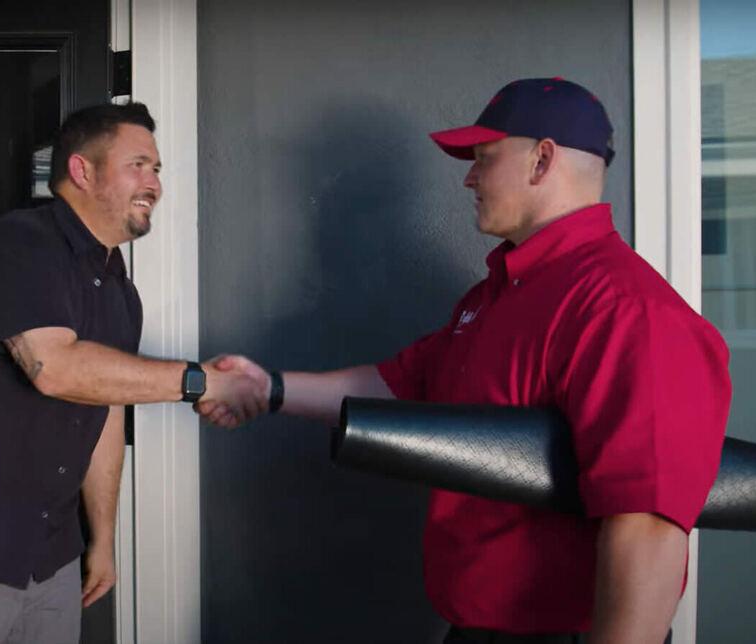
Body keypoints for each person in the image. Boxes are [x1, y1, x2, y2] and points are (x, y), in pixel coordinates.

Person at [198, 78, 732, 643]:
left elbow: (647, 528)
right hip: (475, 629)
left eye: (483, 158)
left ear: (541, 160)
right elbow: (403, 384)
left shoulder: (628, 312)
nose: (469, 177)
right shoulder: (497, 294)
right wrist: (268, 387)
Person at [0, 102, 264, 644]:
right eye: (139, 164)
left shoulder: (121, 291)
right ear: (81, 171)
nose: (154, 183)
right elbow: (54, 368)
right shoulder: (20, 242)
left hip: (54, 557)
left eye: (157, 170)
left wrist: (104, 540)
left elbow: (106, 412)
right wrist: (200, 381)